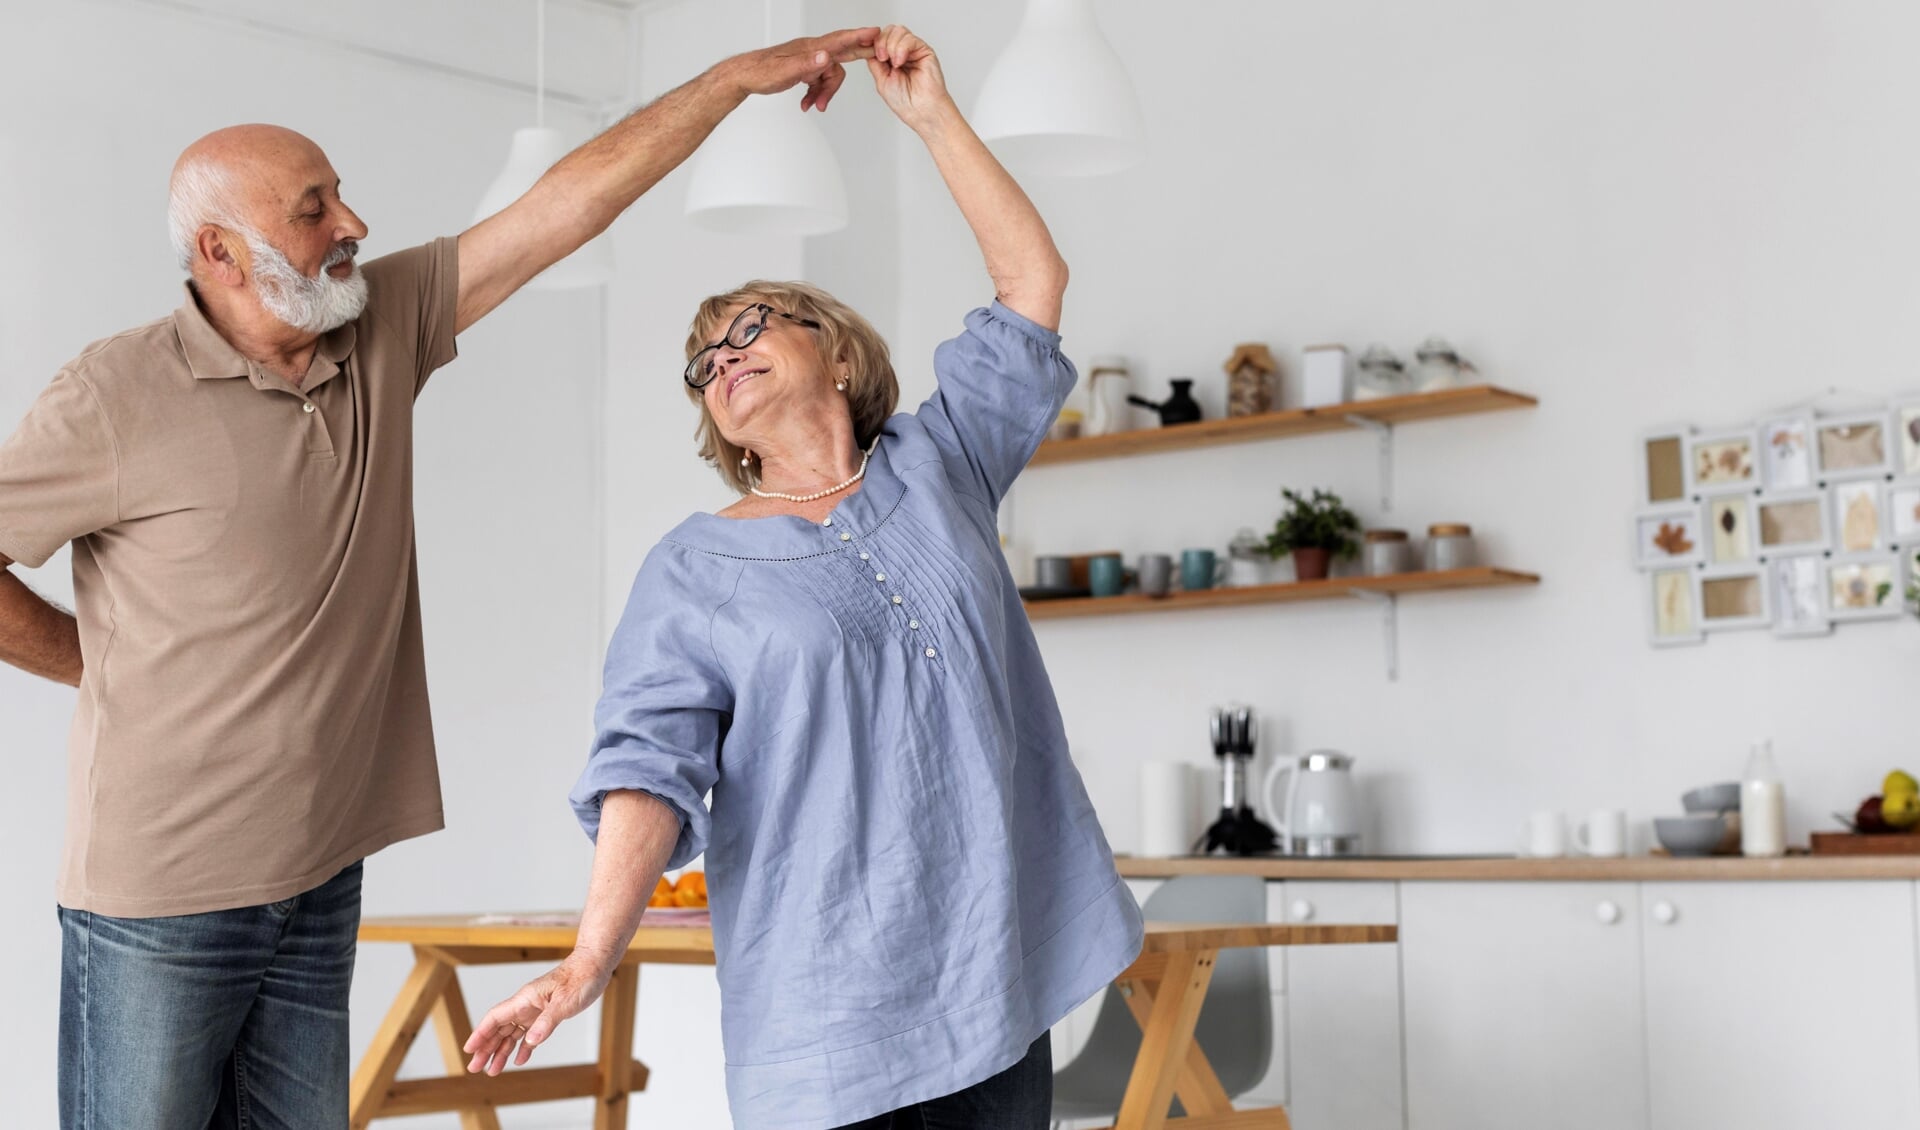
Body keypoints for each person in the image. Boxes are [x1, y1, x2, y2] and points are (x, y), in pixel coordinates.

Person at [0, 27, 879, 1129]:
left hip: (320, 874)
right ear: (221, 254)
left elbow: (567, 208)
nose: (352, 226)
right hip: (160, 894)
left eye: (341, 198)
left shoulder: (379, 328)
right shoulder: (115, 393)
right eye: (312, 207)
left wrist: (730, 82)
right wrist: (101, 665)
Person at [463, 25, 1144, 1130]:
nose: (722, 357)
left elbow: (1032, 281)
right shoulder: (693, 567)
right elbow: (646, 762)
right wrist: (589, 956)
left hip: (993, 980)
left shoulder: (942, 465)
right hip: (830, 1018)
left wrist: (930, 117)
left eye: (747, 327)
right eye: (703, 362)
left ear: (835, 348)